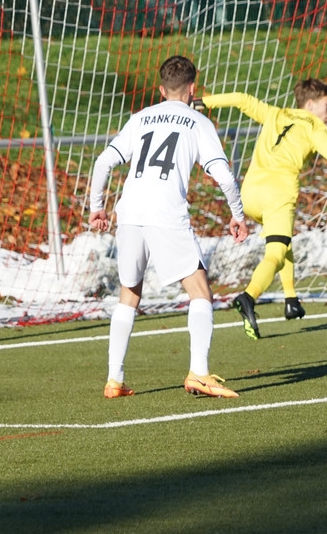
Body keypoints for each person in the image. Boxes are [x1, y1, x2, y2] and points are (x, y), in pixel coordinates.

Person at [89, 55, 250, 399]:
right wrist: (237, 214)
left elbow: (103, 162)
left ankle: (114, 380)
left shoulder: (140, 118)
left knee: (129, 294)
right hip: (166, 214)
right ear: (193, 88)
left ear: (161, 90)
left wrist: (97, 208)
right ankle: (199, 374)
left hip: (129, 213)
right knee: (200, 292)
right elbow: (224, 176)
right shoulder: (198, 122)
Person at [201, 78, 327, 339]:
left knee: (283, 240)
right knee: (275, 253)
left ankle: (291, 299)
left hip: (248, 194)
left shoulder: (274, 113)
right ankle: (249, 297)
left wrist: (201, 102)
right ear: (310, 104)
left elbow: (241, 99)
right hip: (278, 195)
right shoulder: (314, 127)